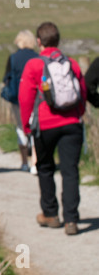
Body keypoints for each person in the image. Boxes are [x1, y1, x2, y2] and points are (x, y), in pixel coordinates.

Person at [19, 22, 87, 235]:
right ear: (58, 40)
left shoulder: (34, 65)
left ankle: (50, 214)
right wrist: (78, 114)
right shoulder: (72, 64)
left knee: (46, 168)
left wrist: (27, 126)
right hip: (72, 124)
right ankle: (71, 220)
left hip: (45, 125)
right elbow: (82, 93)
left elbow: (25, 98)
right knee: (70, 171)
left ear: (39, 42)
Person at [2, 30, 38, 174]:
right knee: (35, 127)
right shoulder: (38, 57)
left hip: (18, 99)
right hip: (35, 98)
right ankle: (35, 162)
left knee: (21, 127)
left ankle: (24, 162)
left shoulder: (13, 58)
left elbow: (6, 78)